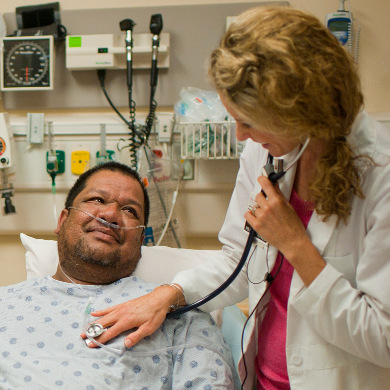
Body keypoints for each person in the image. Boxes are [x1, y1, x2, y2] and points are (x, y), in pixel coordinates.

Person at [82, 6, 390, 390]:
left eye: (250, 122)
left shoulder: (382, 175)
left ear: (306, 113)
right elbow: (237, 261)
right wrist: (171, 293)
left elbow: (383, 338)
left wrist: (296, 245)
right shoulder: (269, 149)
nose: (242, 136)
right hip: (262, 376)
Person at [0, 161, 238, 389]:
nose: (110, 214)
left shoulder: (179, 315)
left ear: (141, 239)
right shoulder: (6, 304)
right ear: (63, 220)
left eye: (129, 210)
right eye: (97, 199)